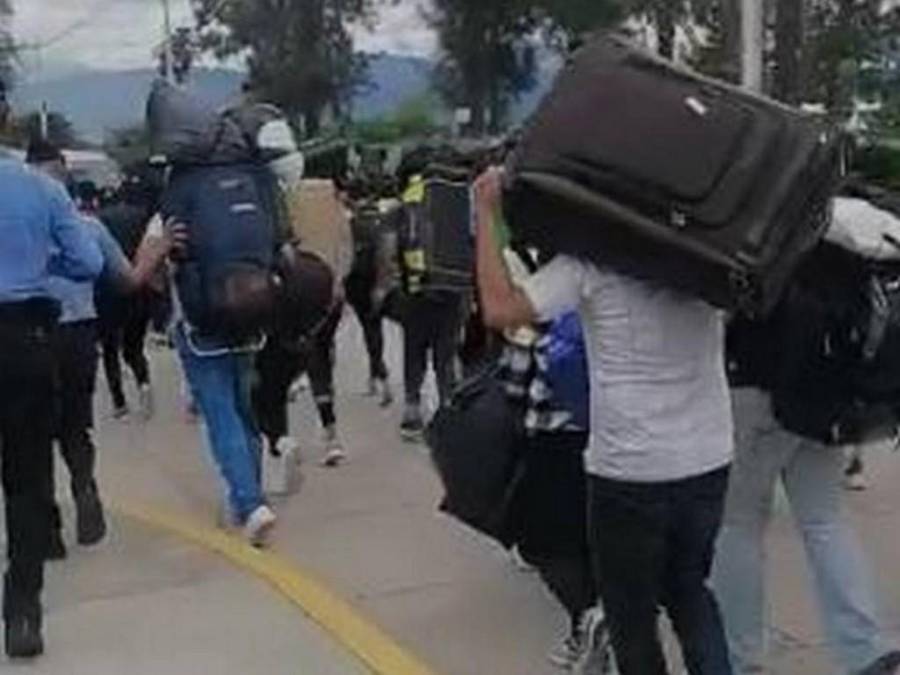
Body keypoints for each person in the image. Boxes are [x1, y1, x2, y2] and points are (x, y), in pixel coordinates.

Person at [473, 166, 734, 675]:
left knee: (630, 615)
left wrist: (486, 215)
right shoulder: (705, 261)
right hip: (706, 459)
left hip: (629, 470)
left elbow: (500, 309)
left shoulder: (590, 263)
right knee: (690, 593)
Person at [26, 141, 173, 560]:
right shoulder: (86, 227)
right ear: (63, 174)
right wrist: (155, 252)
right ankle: (85, 488)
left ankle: (47, 526)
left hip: (25, 334)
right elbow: (127, 280)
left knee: (29, 433)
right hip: (77, 336)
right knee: (76, 426)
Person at [714, 346, 900, 673]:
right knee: (825, 521)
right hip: (822, 392)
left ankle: (739, 656)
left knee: (739, 525)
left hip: (754, 382)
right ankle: (863, 644)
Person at [0, 147, 104, 659]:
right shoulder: (42, 189)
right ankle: (23, 611)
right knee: (27, 478)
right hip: (24, 338)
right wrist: (44, 258)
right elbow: (89, 262)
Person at [397, 171, 465, 440]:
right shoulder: (461, 196)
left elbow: (400, 242)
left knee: (414, 349)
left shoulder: (410, 198)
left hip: (417, 289)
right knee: (445, 352)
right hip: (453, 289)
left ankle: (412, 411)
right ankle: (448, 409)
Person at [96, 175, 160, 419]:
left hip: (109, 289)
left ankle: (119, 402)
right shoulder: (144, 217)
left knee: (110, 348)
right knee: (134, 347)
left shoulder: (101, 219)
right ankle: (144, 383)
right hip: (139, 284)